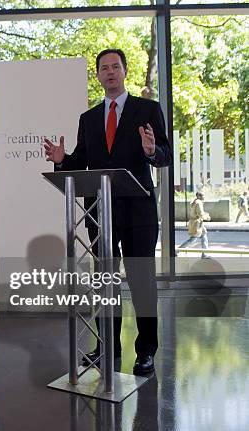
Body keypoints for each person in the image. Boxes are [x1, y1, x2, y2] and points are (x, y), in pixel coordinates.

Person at [44, 49, 172, 375]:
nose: (110, 72)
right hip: (100, 213)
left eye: (116, 66)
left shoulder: (148, 109)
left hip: (139, 212)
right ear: (99, 76)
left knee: (142, 282)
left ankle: (145, 352)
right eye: (104, 68)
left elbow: (165, 155)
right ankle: (107, 347)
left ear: (125, 72)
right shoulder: (87, 119)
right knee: (105, 282)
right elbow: (80, 163)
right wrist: (62, 158)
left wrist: (150, 150)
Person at [179, 192, 210, 258]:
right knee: (193, 239)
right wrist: (207, 217)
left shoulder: (195, 202)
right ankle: (177, 250)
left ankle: (205, 253)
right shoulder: (198, 203)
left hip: (197, 222)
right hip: (197, 223)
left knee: (204, 236)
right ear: (199, 196)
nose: (204, 197)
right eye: (203, 195)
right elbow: (200, 214)